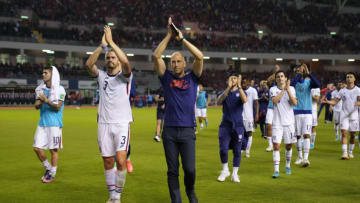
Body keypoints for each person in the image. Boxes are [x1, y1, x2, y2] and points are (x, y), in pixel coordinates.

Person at [153, 17, 203, 203]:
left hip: (188, 131)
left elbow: (199, 57)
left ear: (184, 63)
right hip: (170, 132)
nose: (174, 64)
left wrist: (181, 40)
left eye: (178, 61)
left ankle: (190, 190)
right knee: (172, 170)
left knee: (190, 169)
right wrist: (168, 36)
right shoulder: (166, 78)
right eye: (172, 62)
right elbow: (156, 56)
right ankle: (177, 200)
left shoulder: (193, 78)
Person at [85, 25, 133, 203]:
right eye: (108, 57)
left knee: (120, 160)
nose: (111, 59)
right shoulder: (101, 76)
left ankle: (118, 196)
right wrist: (102, 47)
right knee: (107, 162)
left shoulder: (125, 76)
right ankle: (112, 196)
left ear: (118, 61)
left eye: (114, 57)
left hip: (121, 124)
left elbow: (127, 62)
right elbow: (89, 64)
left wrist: (112, 42)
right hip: (104, 123)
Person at [33, 66, 66, 183]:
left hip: (55, 124)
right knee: (36, 148)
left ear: (53, 75)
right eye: (42, 73)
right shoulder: (40, 89)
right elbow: (36, 106)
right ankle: (48, 168)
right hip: (42, 123)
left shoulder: (60, 89)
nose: (43, 75)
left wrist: (46, 100)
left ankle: (52, 173)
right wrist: (40, 100)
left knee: (53, 150)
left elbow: (57, 107)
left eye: (45, 73)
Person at [216, 74, 247, 183]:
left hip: (238, 126)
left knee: (237, 151)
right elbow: (219, 101)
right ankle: (225, 170)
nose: (233, 80)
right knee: (223, 149)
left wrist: (239, 86)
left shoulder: (241, 91)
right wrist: (228, 88)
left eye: (235, 78)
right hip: (225, 125)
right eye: (231, 78)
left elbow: (245, 100)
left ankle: (235, 173)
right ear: (228, 81)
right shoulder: (225, 92)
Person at [323, 72, 360, 159]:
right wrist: (328, 102)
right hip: (344, 115)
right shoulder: (342, 91)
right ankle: (344, 153)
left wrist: (358, 103)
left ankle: (350, 151)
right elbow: (335, 101)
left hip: (354, 115)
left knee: (353, 135)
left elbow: (359, 100)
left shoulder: (358, 90)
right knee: (344, 133)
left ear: (354, 79)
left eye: (351, 77)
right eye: (347, 77)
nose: (349, 78)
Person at [291, 64, 320, 167]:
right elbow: (293, 83)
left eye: (301, 71)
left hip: (308, 112)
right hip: (296, 112)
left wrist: (308, 74)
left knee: (307, 134)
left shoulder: (308, 82)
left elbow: (318, 84)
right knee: (298, 136)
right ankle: (299, 157)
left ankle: (306, 159)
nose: (301, 72)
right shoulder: (293, 83)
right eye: (298, 71)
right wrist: (299, 73)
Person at [270, 70, 297, 178]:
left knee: (289, 146)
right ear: (276, 79)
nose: (280, 78)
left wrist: (288, 90)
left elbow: (294, 103)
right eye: (278, 77)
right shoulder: (273, 89)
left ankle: (287, 166)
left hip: (289, 123)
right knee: (276, 146)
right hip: (277, 123)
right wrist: (283, 90)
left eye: (282, 76)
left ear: (285, 78)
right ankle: (276, 170)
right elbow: (275, 101)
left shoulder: (292, 89)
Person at [241, 78, 259, 158]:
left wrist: (257, 114)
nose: (244, 84)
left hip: (249, 116)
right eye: (243, 83)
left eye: (245, 83)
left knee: (249, 134)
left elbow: (256, 103)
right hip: (239, 115)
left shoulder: (253, 91)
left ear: (248, 83)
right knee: (240, 133)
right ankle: (241, 149)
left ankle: (247, 151)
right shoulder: (239, 90)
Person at [265, 65, 281, 152]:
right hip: (271, 106)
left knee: (278, 126)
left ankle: (277, 143)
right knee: (268, 125)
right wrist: (275, 73)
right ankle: (270, 145)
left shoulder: (282, 79)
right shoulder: (272, 81)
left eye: (278, 69)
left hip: (279, 107)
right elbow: (268, 81)